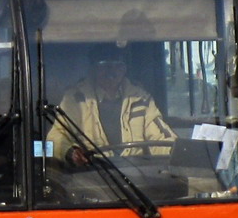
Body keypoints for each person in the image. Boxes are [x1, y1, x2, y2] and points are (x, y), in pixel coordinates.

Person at [47, 43, 175, 166]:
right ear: (93, 69)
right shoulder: (76, 99)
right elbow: (53, 139)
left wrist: (176, 151)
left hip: (136, 177)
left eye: (118, 66)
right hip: (91, 177)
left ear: (124, 69)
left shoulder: (141, 99)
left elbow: (160, 137)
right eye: (105, 65)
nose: (112, 72)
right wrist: (71, 153)